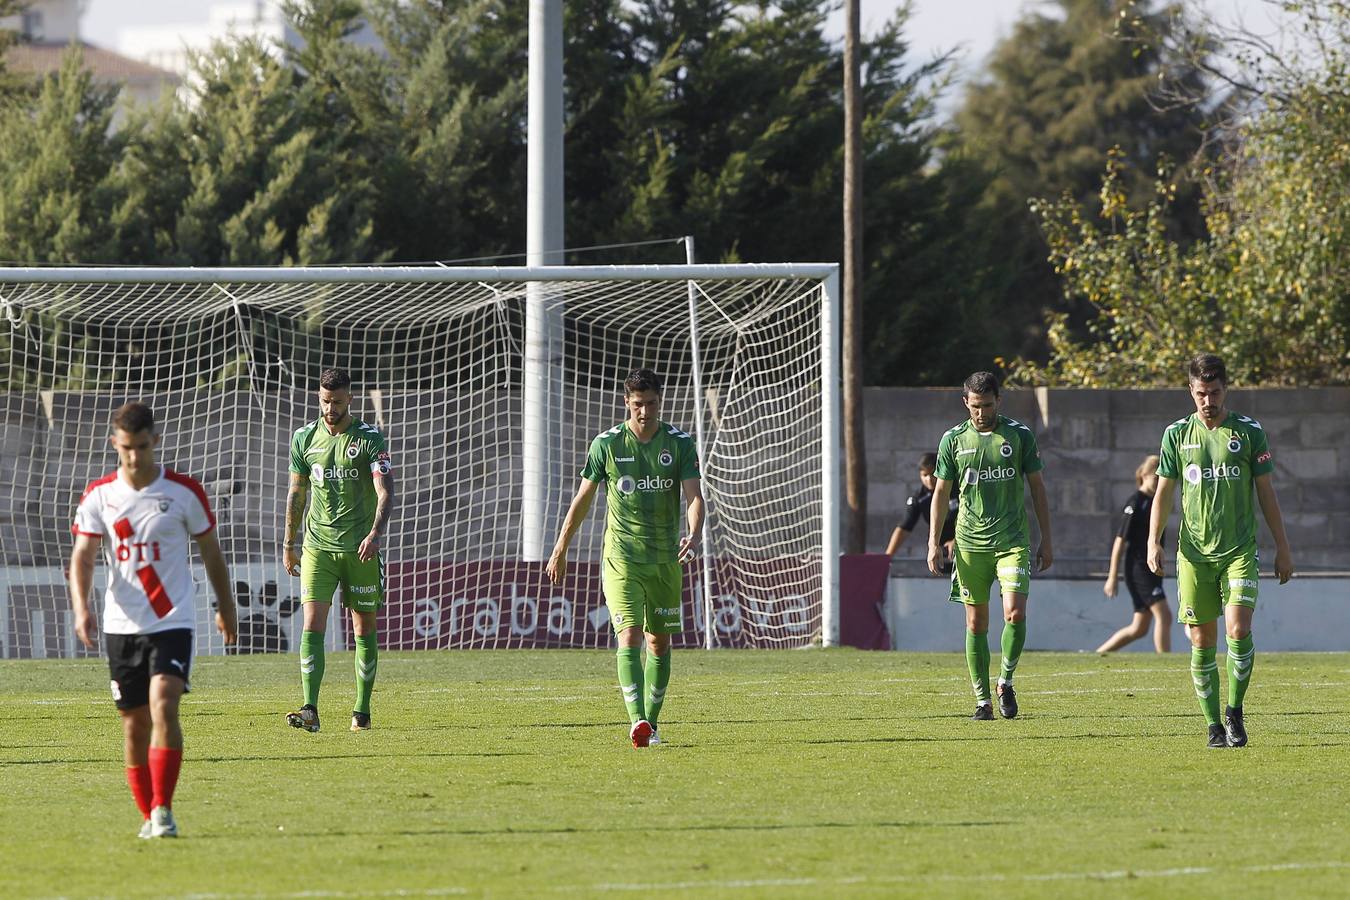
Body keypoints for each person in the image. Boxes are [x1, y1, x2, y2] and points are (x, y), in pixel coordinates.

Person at [69, 401, 238, 839]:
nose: (133, 457)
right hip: (121, 625)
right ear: (115, 443)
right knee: (134, 725)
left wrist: (226, 608)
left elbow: (212, 554)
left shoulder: (183, 492)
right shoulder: (99, 496)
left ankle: (163, 809)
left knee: (165, 705)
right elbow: (83, 558)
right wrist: (82, 608)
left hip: (172, 619)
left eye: (141, 447)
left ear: (155, 442)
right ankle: (148, 814)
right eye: (125, 448)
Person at [547, 368, 705, 748]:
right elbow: (583, 499)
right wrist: (561, 547)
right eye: (638, 405)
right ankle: (636, 722)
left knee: (659, 643)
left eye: (651, 404)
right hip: (621, 558)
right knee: (630, 635)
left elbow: (694, 497)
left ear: (659, 402)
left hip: (665, 560)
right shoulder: (607, 444)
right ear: (626, 403)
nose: (645, 412)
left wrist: (695, 535)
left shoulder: (680, 445)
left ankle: (651, 722)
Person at [1148, 353, 1293, 749]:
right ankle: (1213, 725)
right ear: (1190, 392)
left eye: (1214, 393)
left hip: (1239, 550)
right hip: (1194, 554)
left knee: (1239, 630)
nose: (1207, 401)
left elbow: (1266, 492)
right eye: (1200, 394)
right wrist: (1152, 540)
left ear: (1225, 389)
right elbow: (1163, 492)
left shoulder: (1248, 432)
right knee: (1201, 642)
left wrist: (1283, 547)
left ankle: (1234, 711)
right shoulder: (1176, 435)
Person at [927, 371, 1052, 721]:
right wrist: (933, 542)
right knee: (975, 623)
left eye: (987, 405)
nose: (980, 413)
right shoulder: (953, 440)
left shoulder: (1019, 435)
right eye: (975, 406)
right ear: (966, 402)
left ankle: (1006, 681)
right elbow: (941, 493)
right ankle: (982, 701)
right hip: (970, 544)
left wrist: (1047, 540)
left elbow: (1038, 489)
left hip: (1012, 540)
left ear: (999, 400)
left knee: (1015, 612)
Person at [283, 368, 394, 733]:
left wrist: (376, 533)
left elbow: (385, 490)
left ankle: (361, 711)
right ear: (319, 397)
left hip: (359, 548)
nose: (331, 409)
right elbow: (297, 493)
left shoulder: (369, 439)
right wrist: (289, 542)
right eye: (325, 401)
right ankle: (310, 708)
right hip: (318, 547)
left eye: (338, 402)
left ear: (350, 399)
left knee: (363, 628)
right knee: (312, 624)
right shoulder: (303, 438)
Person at [1097, 455, 1171, 653]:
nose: (1158, 482)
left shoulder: (1156, 502)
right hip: (1138, 569)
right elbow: (1120, 541)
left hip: (1151, 568)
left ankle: (1098, 654)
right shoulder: (1136, 501)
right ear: (1145, 475)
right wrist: (1112, 577)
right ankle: (1166, 662)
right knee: (1164, 615)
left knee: (1139, 628)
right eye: (1156, 478)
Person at [884, 452, 957, 572]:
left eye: (933, 474)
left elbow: (973, 518)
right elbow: (904, 527)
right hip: (941, 551)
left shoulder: (958, 489)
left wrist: (957, 540)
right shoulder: (920, 497)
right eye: (924, 475)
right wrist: (887, 557)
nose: (929, 479)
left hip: (966, 544)